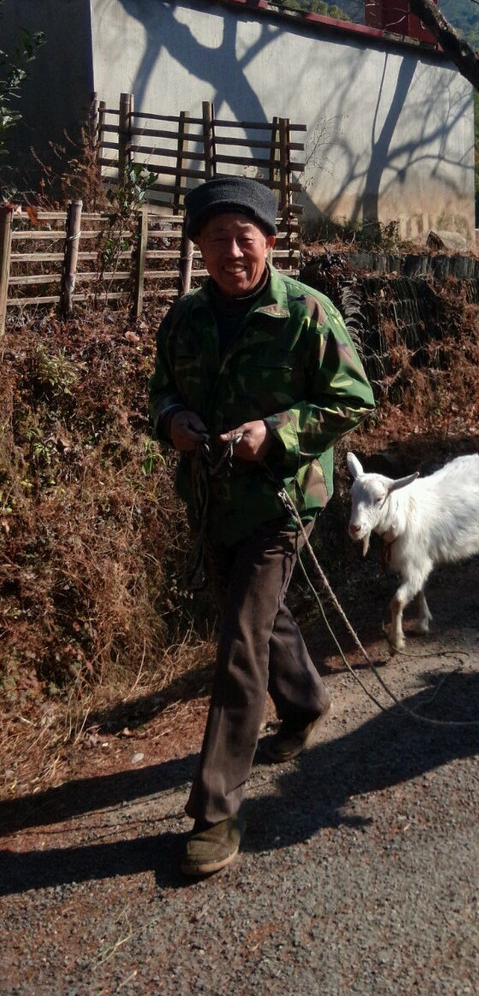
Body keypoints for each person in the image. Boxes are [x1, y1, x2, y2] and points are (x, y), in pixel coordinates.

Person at [149, 176, 375, 879]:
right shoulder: (183, 319)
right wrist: (173, 422)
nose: (232, 251)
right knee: (258, 617)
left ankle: (216, 811)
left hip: (282, 501)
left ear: (269, 242)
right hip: (214, 501)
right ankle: (305, 701)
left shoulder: (307, 313)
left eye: (244, 237)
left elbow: (352, 398)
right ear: (199, 249)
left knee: (238, 642)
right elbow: (161, 388)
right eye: (216, 239)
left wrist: (273, 431)